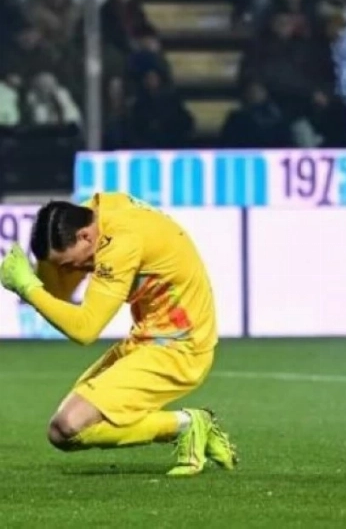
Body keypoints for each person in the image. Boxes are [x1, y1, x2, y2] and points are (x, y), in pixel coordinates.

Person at [0, 192, 238, 477]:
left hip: (181, 348)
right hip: (148, 339)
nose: (75, 271)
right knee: (61, 432)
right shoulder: (93, 217)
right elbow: (58, 293)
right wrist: (39, 273)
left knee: (72, 425)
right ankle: (190, 424)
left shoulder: (121, 242)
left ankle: (189, 424)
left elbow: (85, 329)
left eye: (72, 263)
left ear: (86, 236)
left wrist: (27, 287)